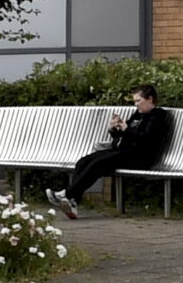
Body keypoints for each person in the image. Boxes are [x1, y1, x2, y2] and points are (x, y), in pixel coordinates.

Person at [47, 85, 173, 219]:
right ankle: (73, 201)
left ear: (150, 99)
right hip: (124, 152)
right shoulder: (138, 115)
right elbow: (122, 136)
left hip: (141, 157)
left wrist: (126, 129)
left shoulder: (158, 116)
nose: (136, 105)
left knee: (99, 164)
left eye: (138, 101)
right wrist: (114, 128)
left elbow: (146, 140)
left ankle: (66, 194)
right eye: (134, 102)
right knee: (84, 161)